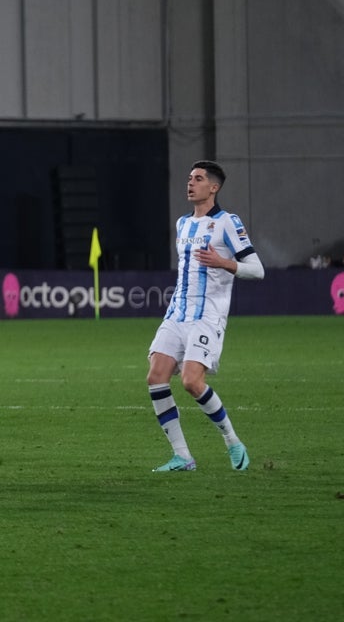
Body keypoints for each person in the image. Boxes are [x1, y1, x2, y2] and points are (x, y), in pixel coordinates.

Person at [146, 160, 264, 473]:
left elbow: (257, 270)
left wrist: (224, 263)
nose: (191, 183)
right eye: (189, 178)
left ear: (214, 187)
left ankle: (232, 440)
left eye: (198, 179)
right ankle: (183, 457)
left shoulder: (228, 222)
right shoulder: (182, 223)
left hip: (207, 317)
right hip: (177, 312)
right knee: (155, 376)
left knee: (191, 382)